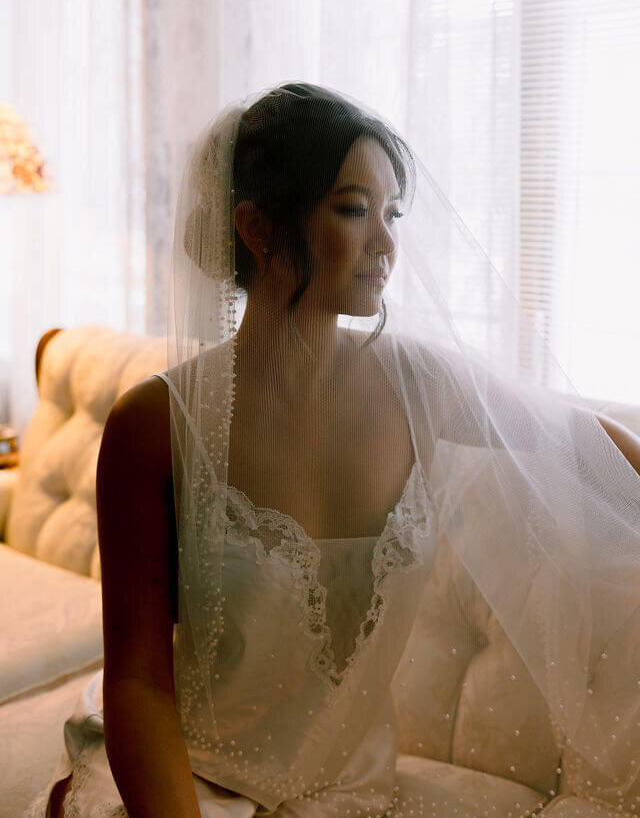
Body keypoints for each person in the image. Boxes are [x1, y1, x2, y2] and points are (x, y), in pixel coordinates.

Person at [30, 82, 640, 818]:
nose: (386, 244)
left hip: (354, 794)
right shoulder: (154, 423)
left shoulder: (419, 382)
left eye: (393, 214)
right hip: (191, 785)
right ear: (257, 226)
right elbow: (138, 684)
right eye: (354, 210)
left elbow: (582, 444)